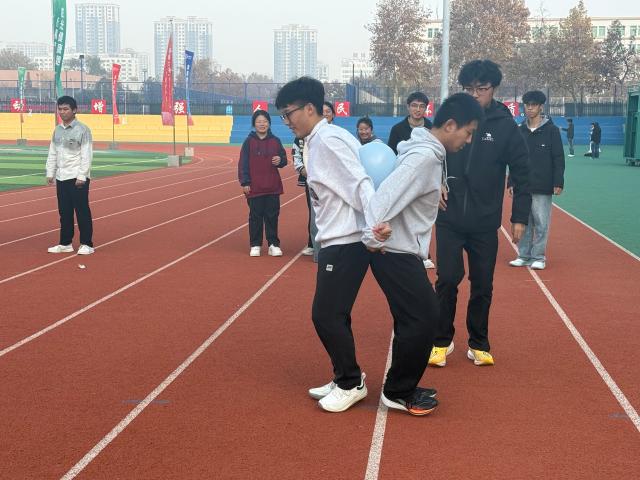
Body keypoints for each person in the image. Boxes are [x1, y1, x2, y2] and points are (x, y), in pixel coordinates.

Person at [277, 77, 439, 416]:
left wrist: (374, 225)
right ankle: (344, 377)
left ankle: (351, 383)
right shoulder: (315, 140)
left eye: (288, 113)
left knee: (325, 315)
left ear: (310, 108)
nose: (286, 121)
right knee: (333, 314)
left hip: (347, 239)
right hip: (334, 237)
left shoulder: (329, 140)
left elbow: (361, 181)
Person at [362, 93, 484, 415]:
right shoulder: (424, 158)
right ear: (450, 125)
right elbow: (384, 197)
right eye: (468, 132)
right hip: (394, 251)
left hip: (402, 249)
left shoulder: (430, 153)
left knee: (414, 318)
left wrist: (433, 191)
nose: (468, 140)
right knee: (425, 317)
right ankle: (398, 390)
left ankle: (400, 387)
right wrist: (372, 236)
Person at [429, 60, 531, 368]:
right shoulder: (450, 117)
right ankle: (441, 340)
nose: (475, 94)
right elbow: (429, 153)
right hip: (449, 217)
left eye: (482, 89)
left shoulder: (505, 125)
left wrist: (519, 217)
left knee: (483, 284)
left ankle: (478, 342)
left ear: (494, 89)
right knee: (447, 279)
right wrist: (434, 184)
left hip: (485, 221)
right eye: (469, 88)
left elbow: (522, 171)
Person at [508, 90, 565, 271]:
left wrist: (558, 181)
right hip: (522, 185)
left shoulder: (551, 131)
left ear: (541, 107)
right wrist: (511, 181)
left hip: (543, 185)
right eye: (527, 105)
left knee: (541, 223)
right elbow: (514, 159)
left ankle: (539, 257)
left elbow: (558, 157)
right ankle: (524, 255)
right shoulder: (519, 130)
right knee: (523, 221)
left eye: (533, 105)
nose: (530, 108)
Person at [387, 91, 436, 269]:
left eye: (422, 106)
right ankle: (401, 253)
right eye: (414, 105)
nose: (418, 109)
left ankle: (424, 254)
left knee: (423, 218)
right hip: (403, 179)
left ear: (426, 109)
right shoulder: (398, 129)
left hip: (426, 180)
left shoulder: (432, 128)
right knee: (402, 216)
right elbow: (391, 155)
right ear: (408, 107)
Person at [46, 95, 95, 255]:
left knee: (81, 211)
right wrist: (50, 172)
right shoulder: (57, 130)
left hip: (77, 177)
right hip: (62, 176)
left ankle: (87, 244)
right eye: (60, 109)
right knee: (64, 212)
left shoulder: (83, 130)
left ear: (74, 110)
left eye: (66, 109)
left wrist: (82, 175)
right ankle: (65, 243)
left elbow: (86, 154)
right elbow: (53, 152)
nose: (62, 112)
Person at [237, 109, 287, 257]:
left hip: (272, 186)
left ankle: (273, 244)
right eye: (259, 121)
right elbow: (243, 163)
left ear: (269, 123)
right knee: (255, 217)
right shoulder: (249, 142)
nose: (262, 124)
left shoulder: (275, 141)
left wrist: (280, 160)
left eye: (265, 121)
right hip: (255, 186)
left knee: (272, 216)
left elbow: (284, 159)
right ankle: (255, 244)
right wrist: (245, 182)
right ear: (254, 124)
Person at [292, 137, 315, 256]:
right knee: (313, 212)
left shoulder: (328, 135)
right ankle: (312, 244)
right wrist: (302, 170)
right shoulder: (300, 138)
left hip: (328, 180)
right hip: (309, 181)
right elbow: (296, 156)